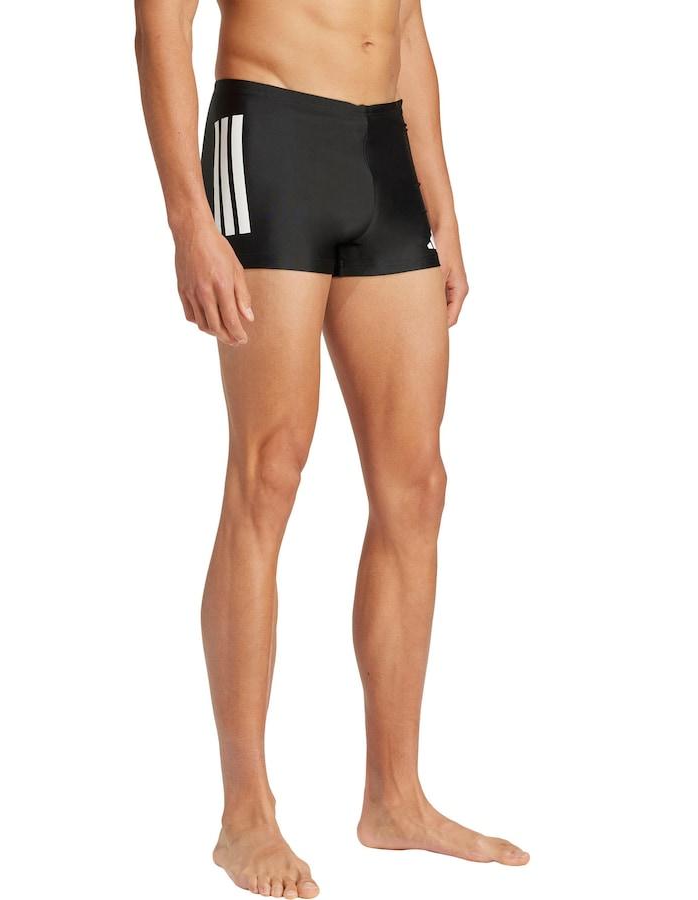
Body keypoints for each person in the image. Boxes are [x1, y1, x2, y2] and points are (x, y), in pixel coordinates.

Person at [134, 1, 530, 895]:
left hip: (383, 152)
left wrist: (442, 207)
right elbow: (160, 28)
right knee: (269, 470)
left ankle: (396, 797)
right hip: (268, 139)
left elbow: (407, 26)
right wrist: (189, 223)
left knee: (416, 485)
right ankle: (245, 817)